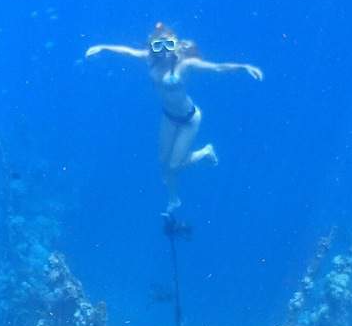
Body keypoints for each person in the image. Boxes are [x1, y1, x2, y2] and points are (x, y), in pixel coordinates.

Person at [85, 22, 263, 213]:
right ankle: (174, 200)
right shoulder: (149, 59)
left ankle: (205, 152)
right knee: (163, 163)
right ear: (152, 47)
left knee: (173, 166)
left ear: (175, 45)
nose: (164, 52)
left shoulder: (185, 64)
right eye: (158, 46)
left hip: (189, 120)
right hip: (169, 117)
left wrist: (244, 67)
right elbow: (127, 52)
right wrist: (103, 47)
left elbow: (217, 68)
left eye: (168, 45)